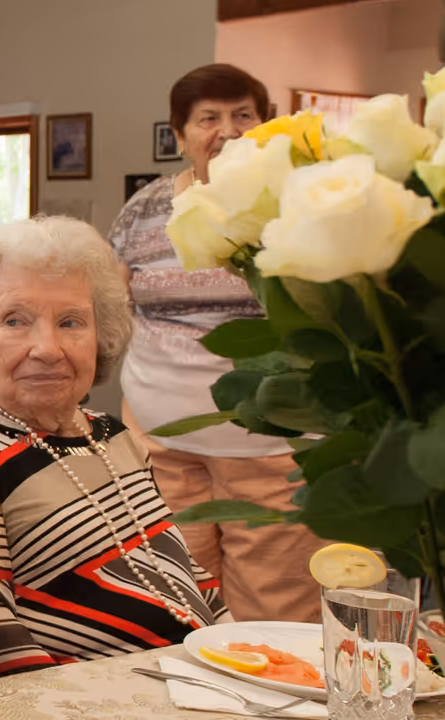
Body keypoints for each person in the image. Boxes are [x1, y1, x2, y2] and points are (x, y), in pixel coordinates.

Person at [0, 216, 226, 686]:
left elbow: (187, 581)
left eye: (71, 322)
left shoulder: (109, 436)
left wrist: (239, 656)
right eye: (15, 320)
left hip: (197, 690)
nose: (46, 348)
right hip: (86, 718)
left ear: (99, 337)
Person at [108, 64, 322, 623]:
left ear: (265, 126)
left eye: (243, 115)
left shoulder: (297, 203)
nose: (227, 129)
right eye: (208, 118)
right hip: (159, 446)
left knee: (274, 611)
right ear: (180, 136)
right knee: (176, 605)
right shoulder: (144, 209)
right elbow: (109, 305)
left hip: (272, 450)